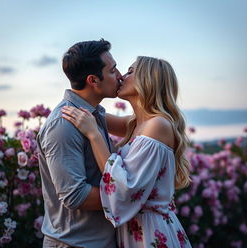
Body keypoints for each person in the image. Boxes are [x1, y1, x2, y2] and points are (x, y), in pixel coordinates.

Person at [62, 56, 192, 248]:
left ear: (148, 80)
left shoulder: (157, 125)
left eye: (131, 72)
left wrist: (94, 134)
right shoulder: (135, 124)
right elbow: (90, 109)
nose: (121, 76)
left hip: (150, 233)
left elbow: (125, 189)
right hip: (135, 231)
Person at [36, 39, 122, 248]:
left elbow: (139, 125)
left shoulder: (93, 113)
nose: (120, 76)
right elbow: (76, 196)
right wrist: (133, 195)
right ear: (93, 80)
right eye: (113, 71)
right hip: (75, 243)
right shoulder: (63, 126)